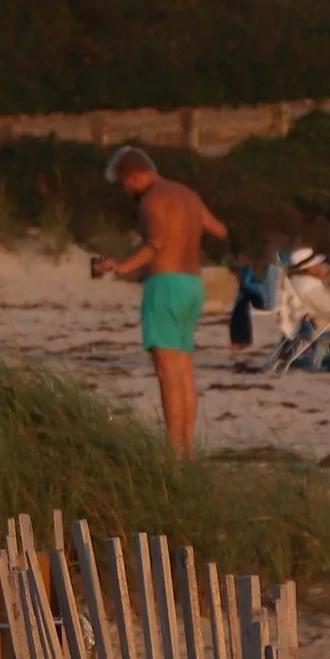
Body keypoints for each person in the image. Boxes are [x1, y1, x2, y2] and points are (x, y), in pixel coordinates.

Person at [91, 148, 227, 452]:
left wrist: (123, 265)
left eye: (124, 184)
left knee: (167, 373)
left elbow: (159, 241)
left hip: (165, 285)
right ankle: (187, 448)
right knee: (184, 370)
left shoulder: (152, 199)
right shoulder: (188, 194)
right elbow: (219, 229)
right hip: (193, 285)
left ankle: (174, 452)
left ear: (133, 176)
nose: (126, 191)